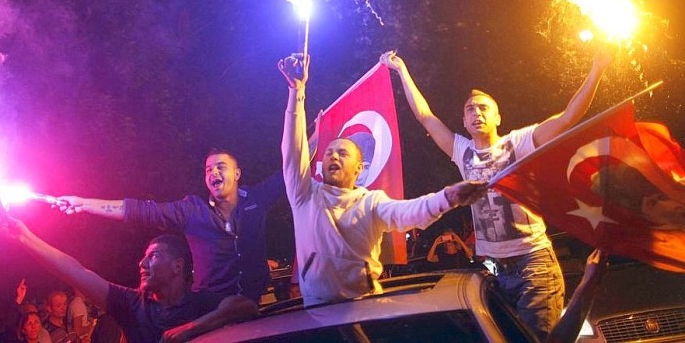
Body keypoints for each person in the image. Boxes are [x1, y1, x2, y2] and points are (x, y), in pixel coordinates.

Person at [381, 48, 613, 340]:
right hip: (494, 271)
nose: (476, 113)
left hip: (533, 264)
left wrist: (597, 69)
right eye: (469, 110)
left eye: (483, 108)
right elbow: (425, 116)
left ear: (497, 117)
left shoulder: (519, 142)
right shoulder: (462, 151)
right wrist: (401, 70)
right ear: (464, 123)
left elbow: (567, 118)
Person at [278, 53, 489, 307]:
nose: (333, 155)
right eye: (329, 152)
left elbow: (410, 212)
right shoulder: (305, 195)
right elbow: (293, 151)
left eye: (342, 152)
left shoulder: (371, 202)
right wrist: (296, 93)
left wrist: (448, 197)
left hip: (365, 306)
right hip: (315, 311)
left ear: (359, 168)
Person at [54, 150, 284, 304]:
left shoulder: (256, 199)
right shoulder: (192, 211)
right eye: (208, 169)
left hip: (261, 303)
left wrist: (316, 129)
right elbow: (141, 211)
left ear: (236, 174)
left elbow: (292, 172)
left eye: (220, 167)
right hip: (210, 312)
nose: (213, 172)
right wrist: (84, 203)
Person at [4, 217, 258, 343]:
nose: (142, 264)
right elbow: (77, 271)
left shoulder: (201, 303)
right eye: (143, 258)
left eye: (153, 257)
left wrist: (191, 328)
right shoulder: (131, 303)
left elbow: (245, 306)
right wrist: (25, 237)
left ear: (177, 266)